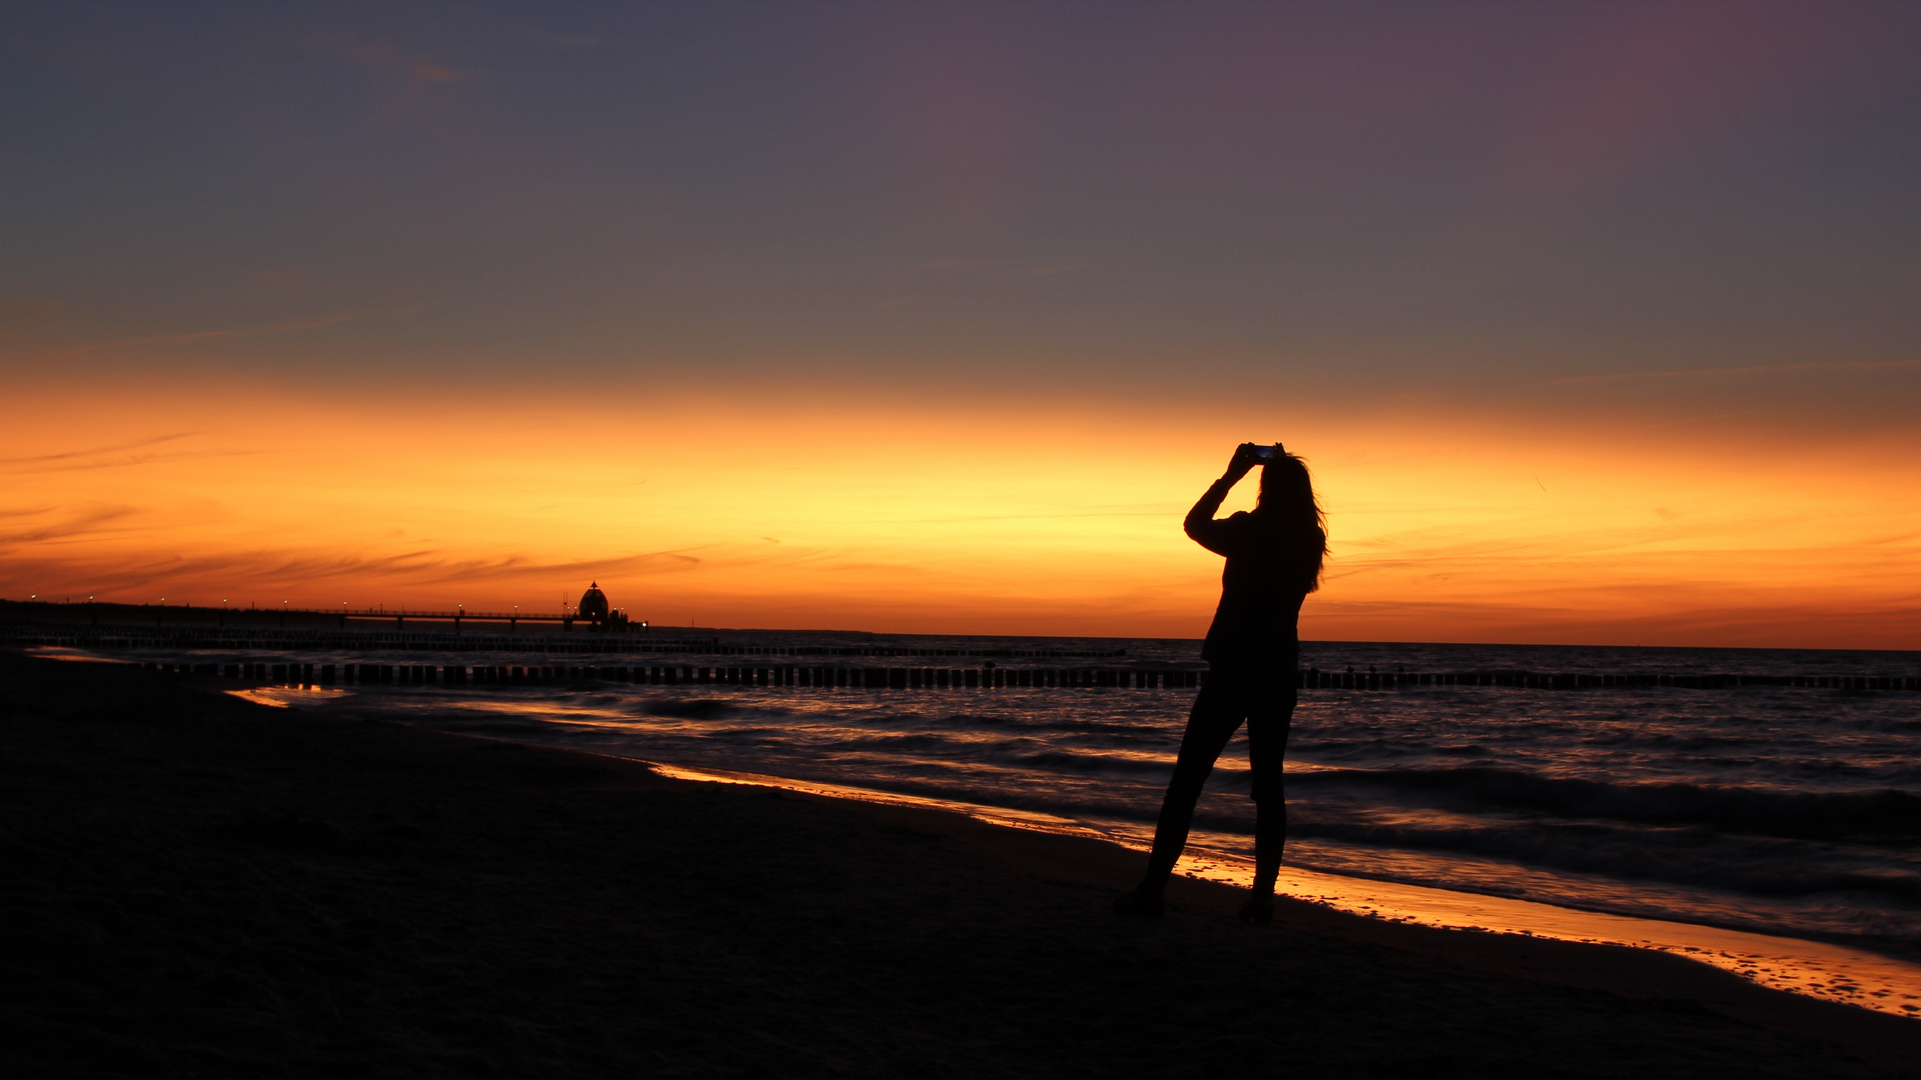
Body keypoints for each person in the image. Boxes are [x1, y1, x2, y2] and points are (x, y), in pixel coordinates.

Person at [1116, 442, 1327, 922]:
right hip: (1277, 673)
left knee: (1187, 783)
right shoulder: (1307, 538)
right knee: (1268, 790)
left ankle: (1152, 892)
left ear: (1263, 488)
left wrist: (1229, 475)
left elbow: (1194, 525)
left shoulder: (1251, 531)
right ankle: (1261, 902)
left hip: (1233, 670)